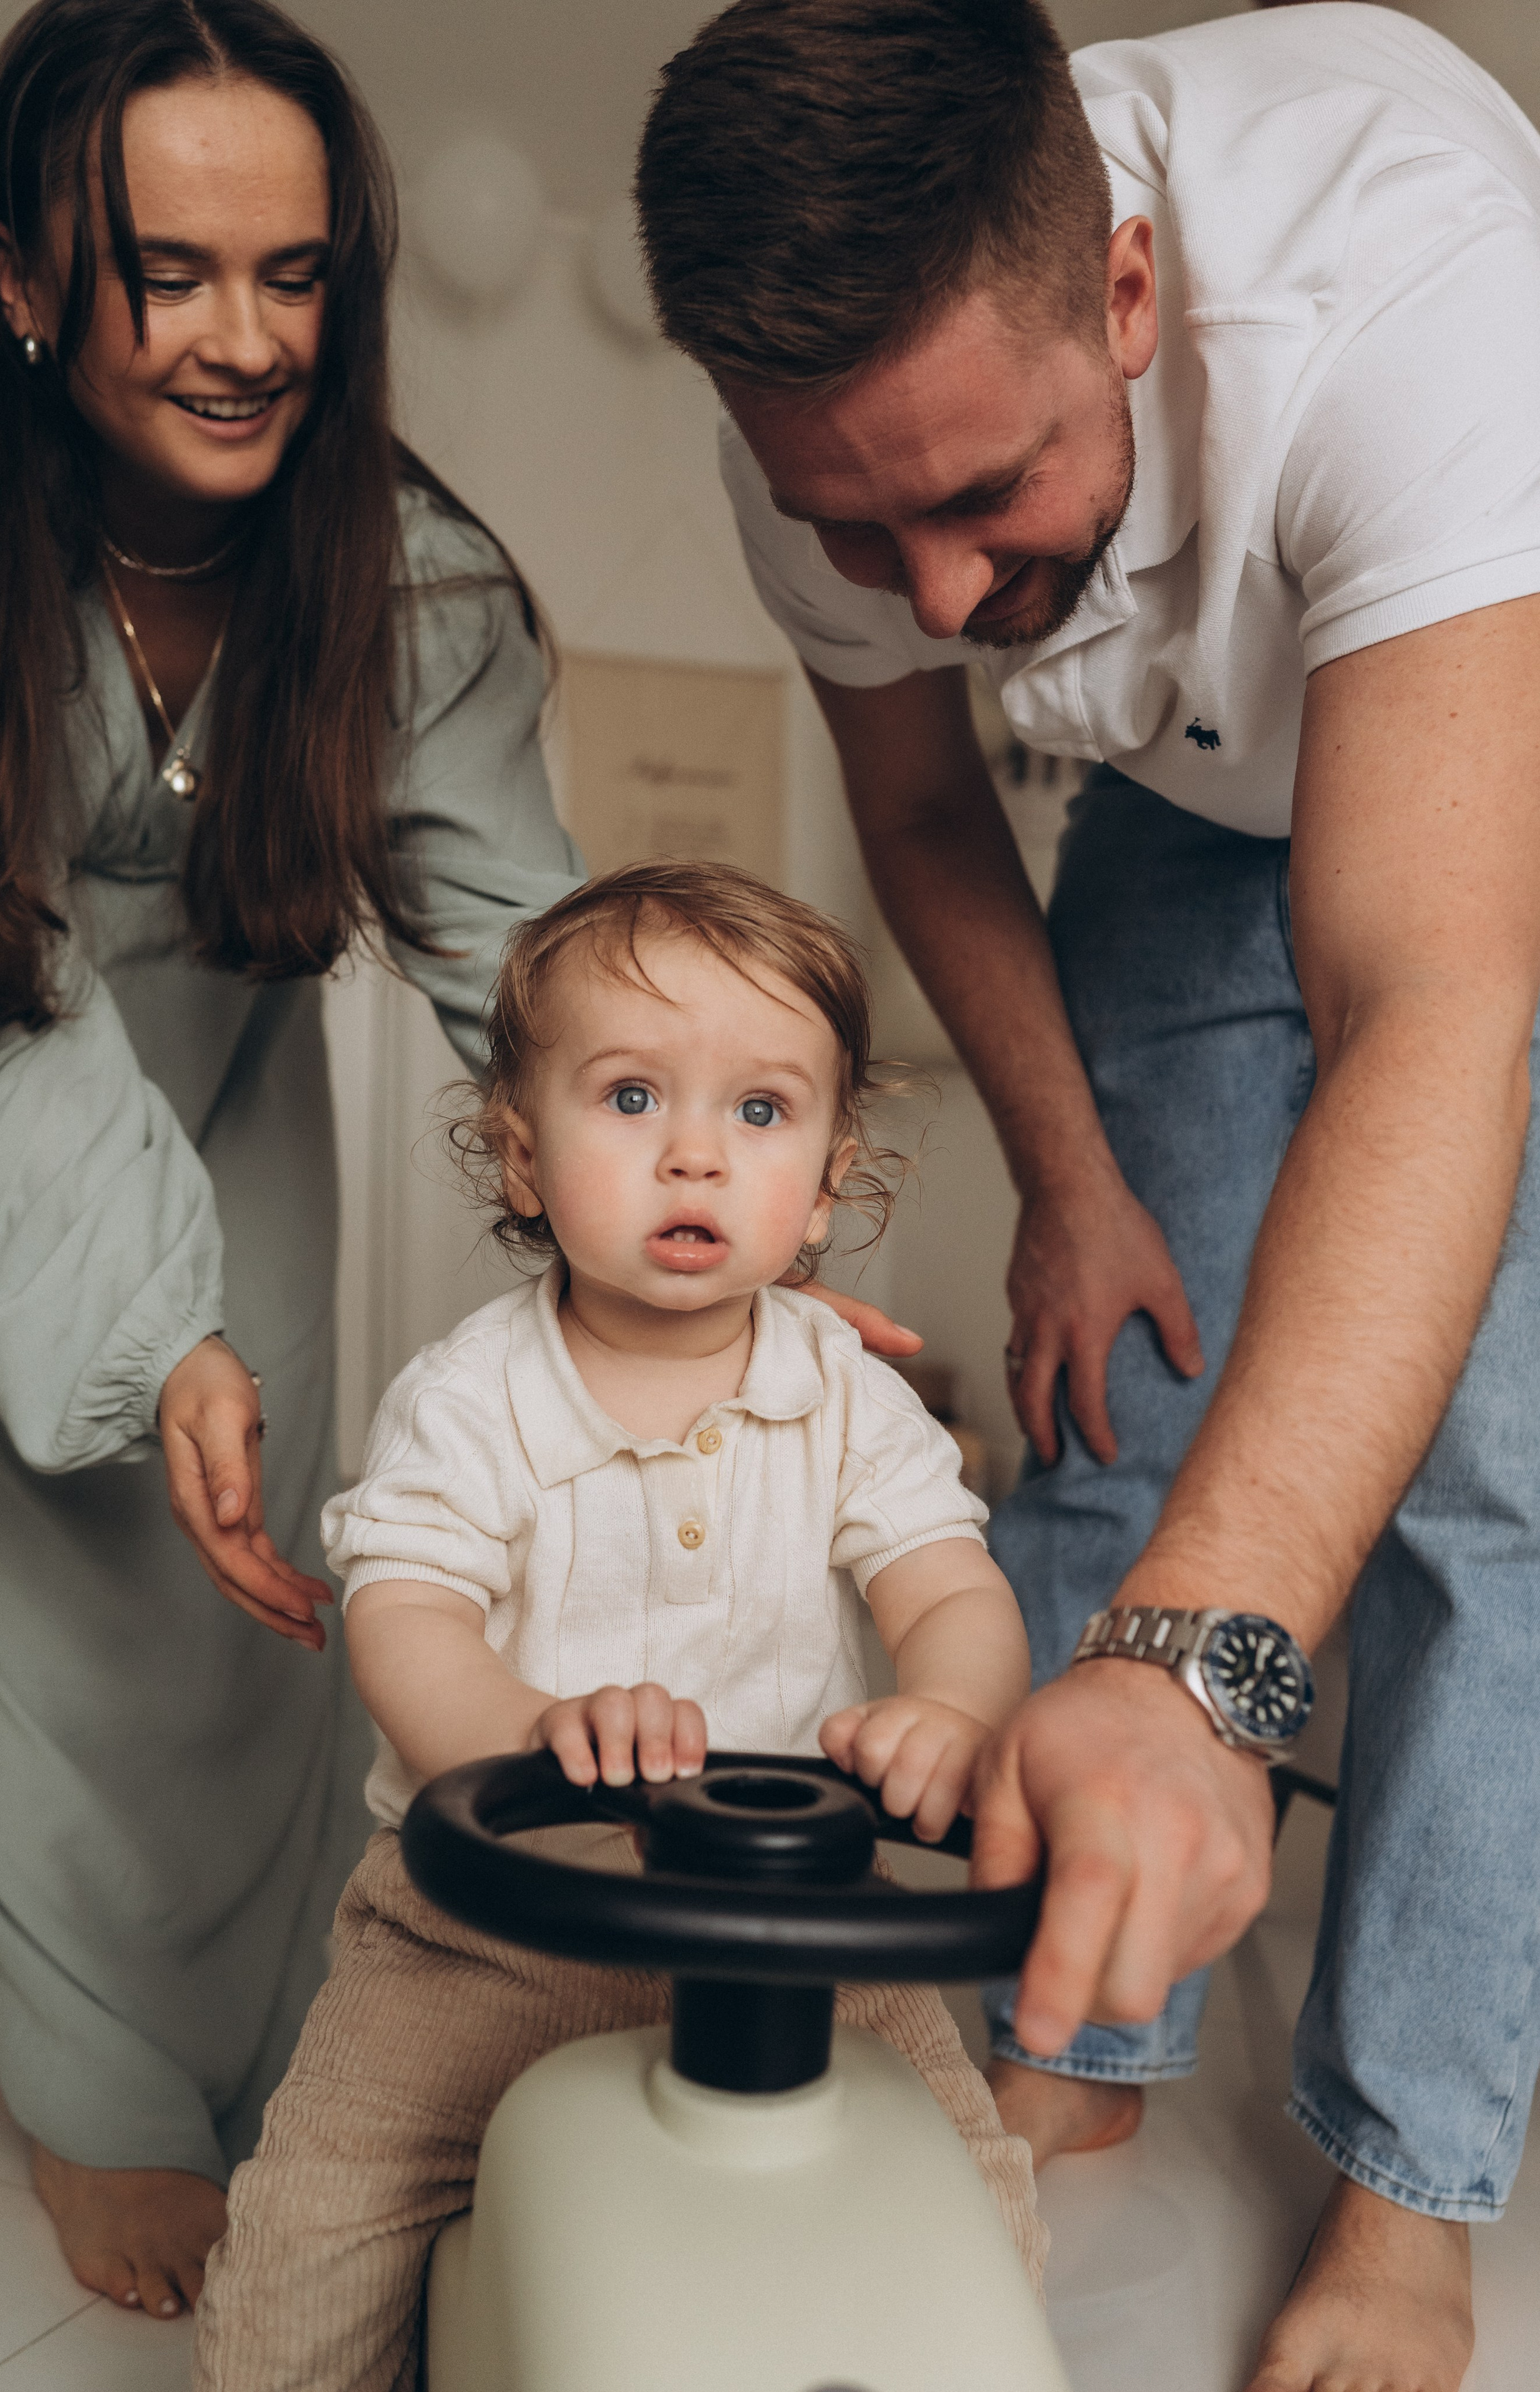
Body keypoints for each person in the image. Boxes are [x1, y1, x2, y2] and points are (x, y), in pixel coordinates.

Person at [634, 5, 1540, 2389]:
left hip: (1468, 739)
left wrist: (1216, 1661)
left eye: (988, 497)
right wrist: (1072, 1181)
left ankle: (1409, 2184)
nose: (928, 593)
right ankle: (1075, 2028)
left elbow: (1422, 1003)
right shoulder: (825, 420)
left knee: (1478, 1483)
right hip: (1179, 793)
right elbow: (933, 814)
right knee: (1120, 1384)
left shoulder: (1413, 284)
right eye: (859, 526)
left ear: (1130, 298)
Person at [0, 0, 587, 2322]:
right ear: (26, 276)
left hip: (244, 1100)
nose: (245, 340)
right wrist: (141, 1310)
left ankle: (177, 2016)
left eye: (295, 275)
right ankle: (90, 2090)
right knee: (44, 1614)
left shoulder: (411, 582)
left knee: (240, 1611)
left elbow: (542, 962)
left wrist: (714, 1202)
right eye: (173, 271)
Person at [190, 859, 1046, 2392]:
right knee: (307, 2247)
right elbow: (408, 1621)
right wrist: (533, 1738)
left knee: (980, 2214)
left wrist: (951, 1709)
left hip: (808, 1929)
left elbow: (947, 1584)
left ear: (834, 1177)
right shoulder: (471, 1397)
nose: (698, 1159)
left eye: (760, 1113)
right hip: (492, 1930)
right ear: (520, 1159)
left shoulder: (845, 1393)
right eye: (633, 1099)